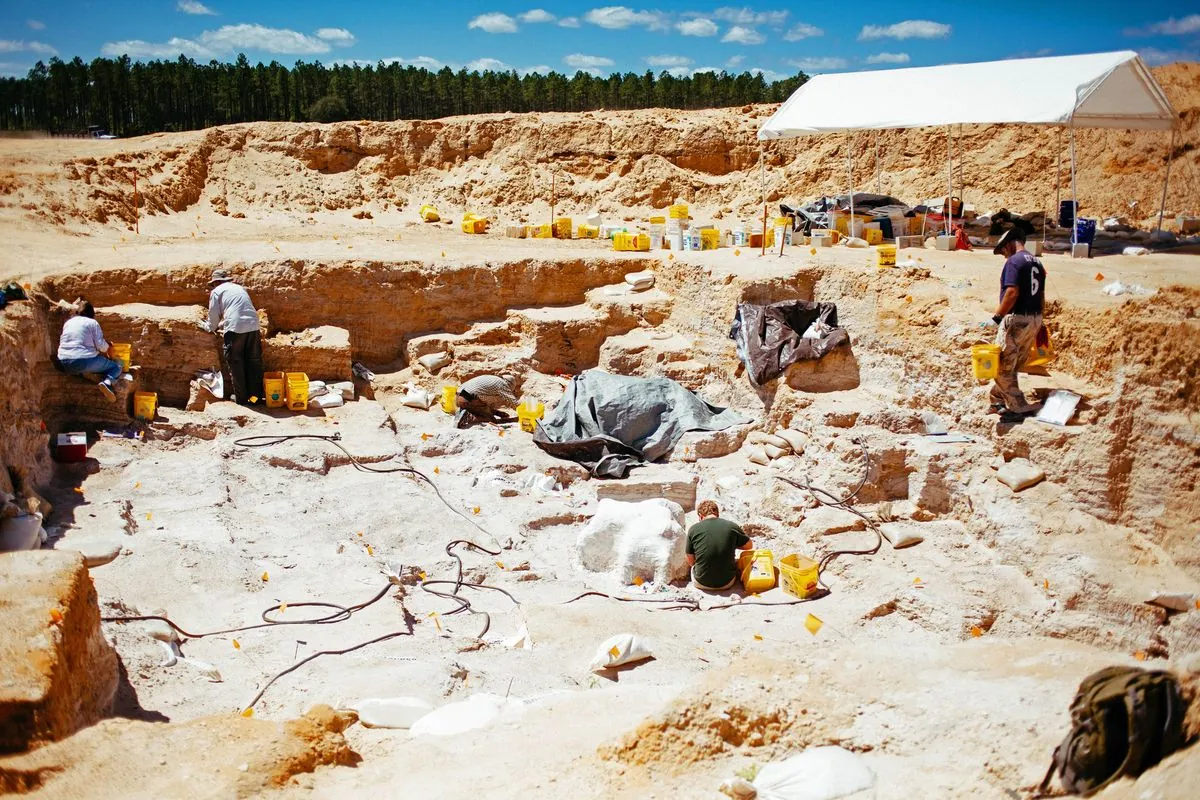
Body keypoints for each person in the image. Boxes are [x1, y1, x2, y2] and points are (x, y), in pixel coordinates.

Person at [989, 227, 1045, 414]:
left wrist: (997, 316)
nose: (1004, 256)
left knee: (1002, 365)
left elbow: (1012, 292)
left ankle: (1017, 406)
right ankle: (996, 400)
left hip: (1017, 318)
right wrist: (1040, 319)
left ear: (1010, 244)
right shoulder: (1036, 262)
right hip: (1034, 317)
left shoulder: (1014, 262)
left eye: (1003, 251)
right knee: (1014, 363)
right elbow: (1041, 293)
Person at [204, 269, 263, 406]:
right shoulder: (239, 288)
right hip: (253, 325)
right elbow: (239, 309)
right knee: (253, 362)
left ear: (216, 282)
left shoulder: (217, 291)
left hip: (236, 329)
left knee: (236, 362)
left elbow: (213, 317)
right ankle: (255, 398)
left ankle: (241, 399)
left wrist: (209, 327)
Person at [57, 301, 122, 402]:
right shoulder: (92, 323)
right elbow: (102, 347)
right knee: (116, 366)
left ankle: (85, 373)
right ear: (92, 313)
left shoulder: (68, 322)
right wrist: (109, 346)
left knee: (84, 360)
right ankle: (107, 383)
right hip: (83, 361)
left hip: (63, 362)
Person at [686, 500, 752, 592]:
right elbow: (749, 546)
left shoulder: (693, 529)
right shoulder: (731, 526)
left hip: (701, 583)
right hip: (727, 583)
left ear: (701, 516)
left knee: (694, 567)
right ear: (717, 514)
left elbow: (691, 562)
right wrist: (731, 544)